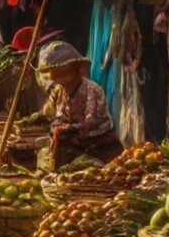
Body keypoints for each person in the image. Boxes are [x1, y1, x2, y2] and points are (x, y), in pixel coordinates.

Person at [38, 40, 122, 168]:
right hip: (72, 142)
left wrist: (72, 128)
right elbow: (49, 113)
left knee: (87, 166)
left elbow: (90, 122)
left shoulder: (91, 89)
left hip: (96, 143)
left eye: (62, 71)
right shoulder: (58, 91)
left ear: (74, 71)